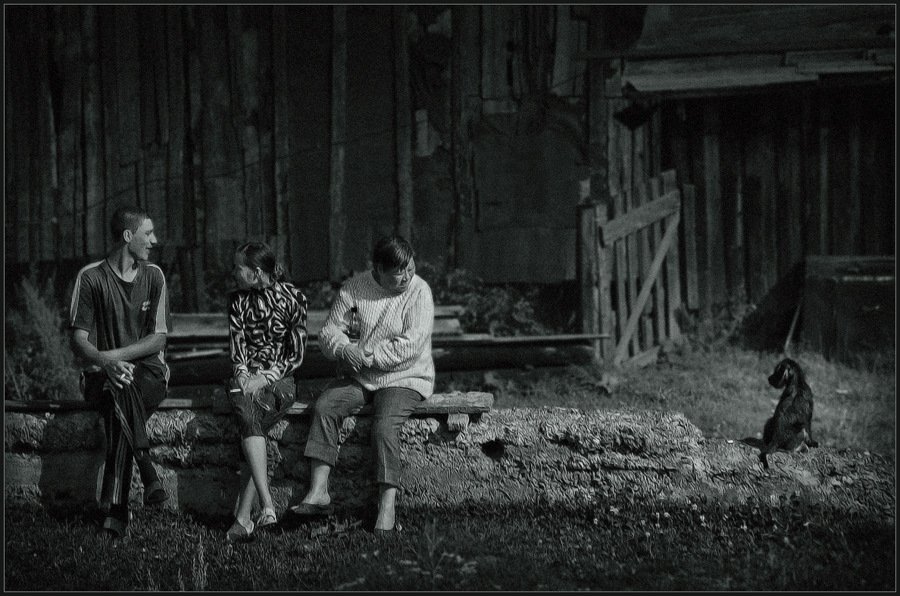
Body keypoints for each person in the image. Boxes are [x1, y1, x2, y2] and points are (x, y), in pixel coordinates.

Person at [291, 234, 434, 535]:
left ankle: (387, 505)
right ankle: (319, 491)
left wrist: (364, 356)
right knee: (326, 406)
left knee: (384, 426)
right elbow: (328, 333)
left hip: (405, 376)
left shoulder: (420, 291)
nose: (407, 276)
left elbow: (410, 346)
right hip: (361, 377)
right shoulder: (355, 288)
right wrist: (344, 349)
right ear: (379, 270)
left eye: (410, 268)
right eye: (399, 272)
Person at [69, 205, 171, 539]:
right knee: (120, 389)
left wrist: (113, 358)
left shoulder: (154, 276)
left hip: (149, 375)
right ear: (128, 236)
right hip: (101, 377)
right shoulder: (91, 278)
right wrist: (106, 365)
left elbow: (158, 338)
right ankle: (146, 468)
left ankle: (116, 510)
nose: (154, 240)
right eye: (148, 233)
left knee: (123, 388)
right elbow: (78, 340)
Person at [225, 241, 308, 542]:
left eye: (239, 268)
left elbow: (296, 355)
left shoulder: (294, 298)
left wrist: (265, 378)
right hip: (245, 378)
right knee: (249, 414)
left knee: (251, 423)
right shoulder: (237, 301)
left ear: (257, 272)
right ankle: (267, 505)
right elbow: (237, 348)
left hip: (280, 379)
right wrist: (244, 374)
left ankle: (245, 516)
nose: (234, 272)